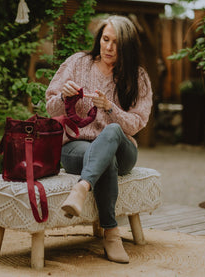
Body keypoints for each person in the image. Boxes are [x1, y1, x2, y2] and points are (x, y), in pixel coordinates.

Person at [45, 15, 153, 264]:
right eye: (105, 39)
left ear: (127, 47)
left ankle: (81, 188)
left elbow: (137, 124)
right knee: (107, 163)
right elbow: (51, 108)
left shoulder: (138, 77)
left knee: (112, 132)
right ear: (99, 39)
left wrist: (110, 108)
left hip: (123, 149)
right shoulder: (78, 63)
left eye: (116, 43)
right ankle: (112, 234)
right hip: (76, 147)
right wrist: (64, 96)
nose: (109, 47)